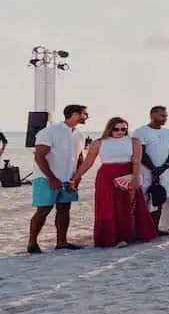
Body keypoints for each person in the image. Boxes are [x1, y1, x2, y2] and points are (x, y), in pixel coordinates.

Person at [70, 116, 158, 248]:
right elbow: (88, 162)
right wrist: (75, 177)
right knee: (107, 206)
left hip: (127, 174)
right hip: (106, 177)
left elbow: (136, 161)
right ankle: (108, 238)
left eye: (124, 129)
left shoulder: (133, 141)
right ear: (110, 129)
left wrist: (135, 177)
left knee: (128, 206)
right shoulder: (98, 142)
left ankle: (127, 236)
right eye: (116, 129)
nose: (120, 132)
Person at [28, 104, 89, 253]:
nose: (87, 117)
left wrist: (76, 178)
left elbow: (80, 156)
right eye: (84, 114)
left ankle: (62, 242)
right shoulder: (50, 132)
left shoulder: (79, 134)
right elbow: (39, 156)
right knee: (43, 209)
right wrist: (51, 177)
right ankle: (32, 243)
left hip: (68, 179)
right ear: (74, 114)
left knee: (64, 209)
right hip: (46, 178)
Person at [134, 106, 169, 235]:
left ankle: (155, 228)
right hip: (146, 171)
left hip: (164, 172)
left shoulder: (168, 132)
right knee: (145, 198)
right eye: (162, 115)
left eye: (166, 116)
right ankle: (142, 229)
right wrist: (153, 169)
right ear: (152, 115)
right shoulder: (140, 131)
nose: (165, 118)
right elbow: (141, 152)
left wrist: (164, 167)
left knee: (159, 199)